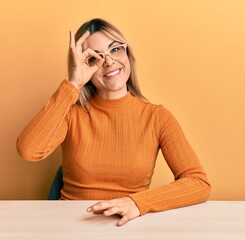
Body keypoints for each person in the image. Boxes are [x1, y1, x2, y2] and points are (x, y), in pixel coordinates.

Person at [16, 18, 211, 226]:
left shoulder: (157, 117)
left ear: (127, 54)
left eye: (115, 49)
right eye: (95, 58)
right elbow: (29, 150)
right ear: (85, 67)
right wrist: (72, 85)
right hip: (70, 225)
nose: (108, 62)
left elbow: (198, 183)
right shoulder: (72, 114)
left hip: (126, 226)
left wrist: (137, 202)